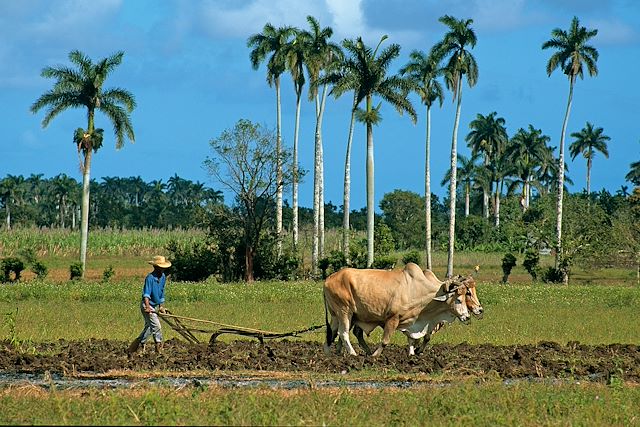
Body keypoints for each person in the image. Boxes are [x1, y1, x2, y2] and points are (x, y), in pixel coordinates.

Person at [126, 255, 171, 356]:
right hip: (147, 305)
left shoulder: (163, 277)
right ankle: (159, 349)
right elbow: (146, 294)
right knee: (157, 326)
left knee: (149, 328)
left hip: (154, 305)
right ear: (156, 267)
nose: (163, 270)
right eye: (161, 267)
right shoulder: (150, 278)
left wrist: (161, 307)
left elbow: (161, 293)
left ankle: (136, 348)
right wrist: (147, 307)